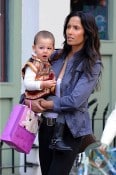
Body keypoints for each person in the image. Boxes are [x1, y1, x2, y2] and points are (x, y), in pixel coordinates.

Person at [26, 11, 103, 175]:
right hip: (46, 127)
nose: (70, 31)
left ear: (87, 32)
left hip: (69, 130)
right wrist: (30, 102)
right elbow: (33, 82)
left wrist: (49, 104)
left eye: (76, 28)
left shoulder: (92, 62)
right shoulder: (55, 56)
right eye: (68, 27)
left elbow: (75, 100)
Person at [22, 30, 71, 151]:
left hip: (42, 96)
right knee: (59, 103)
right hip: (35, 96)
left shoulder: (48, 63)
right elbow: (28, 84)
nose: (45, 51)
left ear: (53, 49)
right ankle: (57, 138)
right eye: (41, 47)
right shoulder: (33, 64)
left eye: (49, 48)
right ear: (34, 48)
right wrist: (43, 84)